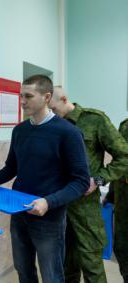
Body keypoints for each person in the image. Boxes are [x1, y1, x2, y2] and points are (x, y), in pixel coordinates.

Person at [0, 75, 90, 283]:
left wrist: (48, 202)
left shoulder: (69, 133)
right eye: (21, 96)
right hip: (19, 213)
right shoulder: (20, 130)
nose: (22, 101)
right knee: (23, 270)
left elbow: (81, 182)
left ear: (47, 97)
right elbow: (11, 168)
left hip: (49, 219)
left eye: (28, 96)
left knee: (52, 275)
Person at [48, 87, 128, 283]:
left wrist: (99, 180)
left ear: (64, 99)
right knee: (66, 264)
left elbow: (124, 156)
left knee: (92, 266)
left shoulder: (94, 120)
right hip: (59, 204)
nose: (51, 113)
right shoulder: (52, 124)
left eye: (53, 108)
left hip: (85, 207)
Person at [107, 118, 128, 282]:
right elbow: (119, 163)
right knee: (122, 247)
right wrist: (111, 194)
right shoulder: (125, 125)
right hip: (123, 199)